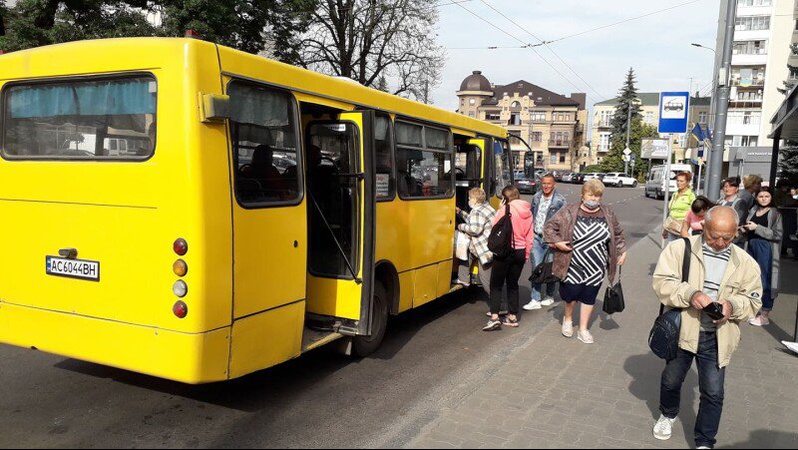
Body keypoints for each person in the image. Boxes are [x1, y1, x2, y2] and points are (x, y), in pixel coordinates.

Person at [652, 206, 763, 449]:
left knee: (713, 393)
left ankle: (704, 441)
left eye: (728, 237)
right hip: (682, 331)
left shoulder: (746, 263)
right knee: (671, 380)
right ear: (703, 227)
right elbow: (662, 283)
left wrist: (732, 306)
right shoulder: (680, 249)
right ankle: (668, 414)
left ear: (736, 233)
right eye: (714, 236)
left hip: (718, 337)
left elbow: (754, 301)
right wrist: (691, 294)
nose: (720, 242)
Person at [545, 179, 627, 344]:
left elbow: (617, 233)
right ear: (583, 195)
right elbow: (549, 227)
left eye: (597, 196)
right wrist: (558, 242)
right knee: (571, 295)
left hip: (596, 264)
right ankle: (568, 320)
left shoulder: (607, 213)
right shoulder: (569, 210)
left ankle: (583, 329)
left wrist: (622, 250)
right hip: (572, 262)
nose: (594, 199)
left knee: (589, 296)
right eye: (591, 195)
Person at [483, 186, 534, 331]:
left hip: (504, 251)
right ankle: (512, 317)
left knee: (496, 285)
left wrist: (500, 209)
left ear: (505, 198)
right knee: (513, 284)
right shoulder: (528, 212)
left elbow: (494, 227)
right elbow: (530, 236)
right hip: (520, 251)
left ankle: (494, 317)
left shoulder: (505, 210)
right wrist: (526, 254)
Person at [524, 173, 567, 311]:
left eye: (549, 183)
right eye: (544, 183)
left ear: (554, 184)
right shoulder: (536, 197)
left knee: (550, 268)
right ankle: (535, 299)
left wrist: (558, 239)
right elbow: (532, 215)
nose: (546, 186)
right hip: (537, 237)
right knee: (536, 268)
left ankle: (549, 295)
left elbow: (565, 222)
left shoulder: (560, 200)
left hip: (551, 240)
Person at [742, 188, 782, 327]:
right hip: (751, 246)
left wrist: (757, 228)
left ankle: (764, 315)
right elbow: (750, 227)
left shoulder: (775, 213)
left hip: (766, 248)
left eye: (767, 196)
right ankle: (753, 310)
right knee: (751, 279)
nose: (764, 198)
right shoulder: (753, 210)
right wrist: (745, 229)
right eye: (761, 196)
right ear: (756, 197)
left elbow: (778, 235)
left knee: (765, 281)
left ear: (771, 197)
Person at [455, 188, 496, 293]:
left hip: (483, 250)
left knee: (486, 281)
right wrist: (460, 212)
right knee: (465, 253)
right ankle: (463, 279)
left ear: (475, 199)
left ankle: (500, 305)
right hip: (489, 246)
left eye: (470, 198)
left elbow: (474, 229)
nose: (468, 200)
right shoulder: (487, 207)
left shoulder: (477, 211)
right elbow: (474, 220)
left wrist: (461, 226)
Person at [663, 172, 696, 243]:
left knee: (682, 248)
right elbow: (671, 212)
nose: (678, 183)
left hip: (684, 227)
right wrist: (665, 229)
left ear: (687, 182)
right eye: (677, 181)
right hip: (672, 226)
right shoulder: (675, 194)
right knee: (671, 248)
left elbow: (694, 212)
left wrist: (686, 226)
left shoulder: (691, 195)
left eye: (681, 181)